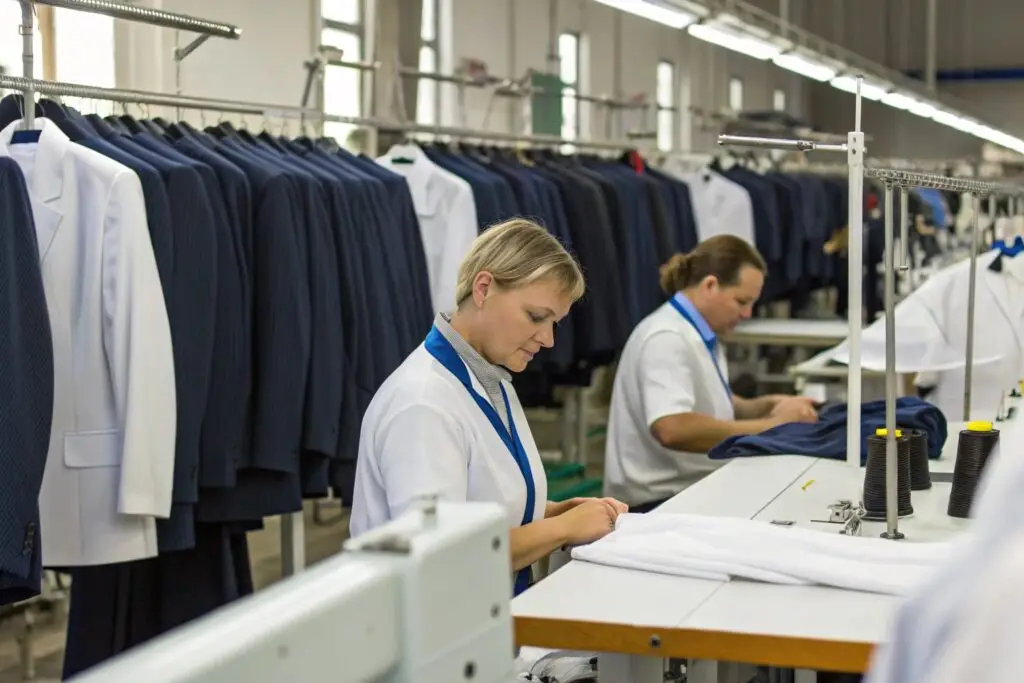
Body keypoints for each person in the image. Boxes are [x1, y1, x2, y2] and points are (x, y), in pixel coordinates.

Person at [350, 218, 628, 595]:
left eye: (555, 324)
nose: (548, 340)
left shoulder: (488, 377)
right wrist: (561, 529)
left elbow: (476, 503)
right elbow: (438, 556)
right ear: (483, 288)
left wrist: (550, 511)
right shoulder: (422, 404)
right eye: (536, 317)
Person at [603, 235, 819, 512]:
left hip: (685, 493)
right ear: (710, 285)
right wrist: (772, 427)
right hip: (660, 504)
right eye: (741, 301)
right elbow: (673, 428)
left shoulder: (696, 332)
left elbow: (710, 403)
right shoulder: (667, 338)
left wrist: (767, 405)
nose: (747, 313)